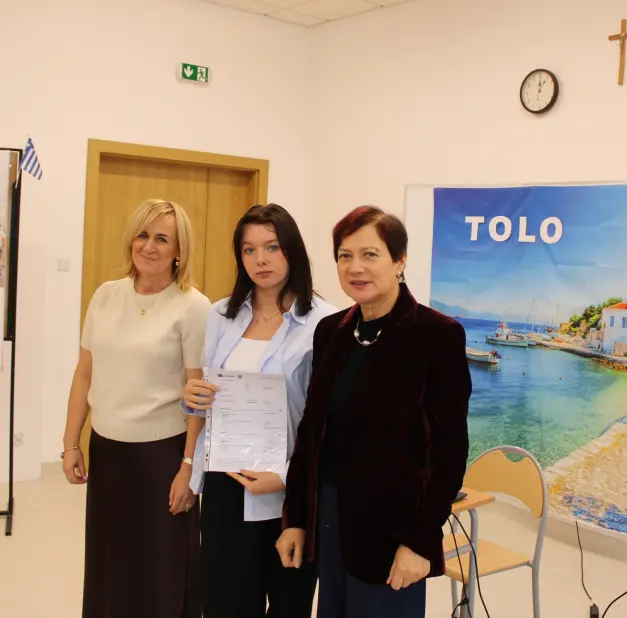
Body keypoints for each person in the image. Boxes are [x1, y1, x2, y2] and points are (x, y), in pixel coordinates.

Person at [277, 206, 472, 618]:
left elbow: (448, 453)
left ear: (400, 261)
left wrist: (419, 541)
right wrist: (295, 518)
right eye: (344, 256)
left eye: (370, 254)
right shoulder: (331, 332)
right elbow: (311, 432)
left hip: (394, 529)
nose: (355, 267)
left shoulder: (437, 336)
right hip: (330, 519)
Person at [182, 204, 336, 618]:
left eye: (272, 247)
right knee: (223, 603)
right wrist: (191, 396)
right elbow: (207, 397)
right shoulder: (221, 314)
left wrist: (285, 476)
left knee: (288, 605)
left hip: (288, 490)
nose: (260, 260)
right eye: (249, 250)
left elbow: (329, 420)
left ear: (293, 250)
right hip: (226, 483)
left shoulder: (325, 322)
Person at [61, 199, 210, 618]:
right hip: (108, 452)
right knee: (111, 563)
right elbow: (84, 374)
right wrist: (71, 443)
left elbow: (197, 396)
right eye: (142, 235)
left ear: (179, 250)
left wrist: (188, 468)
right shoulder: (106, 295)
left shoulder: (193, 306)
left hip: (162, 457)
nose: (149, 246)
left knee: (160, 568)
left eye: (162, 239)